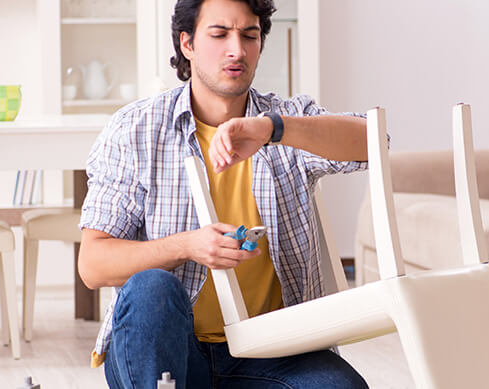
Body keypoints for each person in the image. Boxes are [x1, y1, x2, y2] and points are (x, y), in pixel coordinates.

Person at [77, 0, 371, 387]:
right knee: (151, 288)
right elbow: (93, 265)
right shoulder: (135, 129)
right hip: (172, 350)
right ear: (187, 44)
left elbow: (373, 142)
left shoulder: (284, 120)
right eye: (219, 34)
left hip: (271, 353)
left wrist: (273, 129)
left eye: (249, 35)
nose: (237, 50)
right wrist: (187, 246)